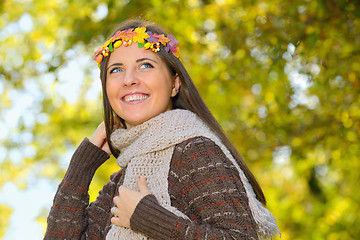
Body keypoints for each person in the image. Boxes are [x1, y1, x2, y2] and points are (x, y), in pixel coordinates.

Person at [44, 18, 280, 240]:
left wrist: (149, 219)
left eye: (145, 65)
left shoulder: (194, 150)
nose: (129, 79)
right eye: (116, 70)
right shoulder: (123, 180)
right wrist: (83, 164)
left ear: (175, 84)